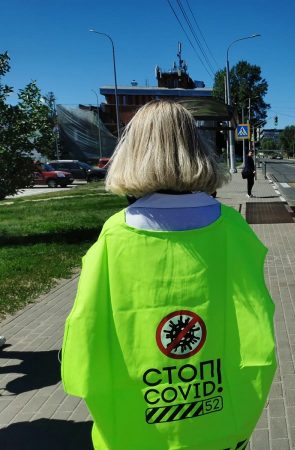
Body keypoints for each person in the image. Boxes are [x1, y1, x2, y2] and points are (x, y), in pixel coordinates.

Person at [61, 101, 277, 450]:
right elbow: (258, 333)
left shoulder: (114, 236)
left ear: (132, 152)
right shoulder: (235, 230)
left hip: (135, 432)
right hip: (223, 426)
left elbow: (83, 340)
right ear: (198, 149)